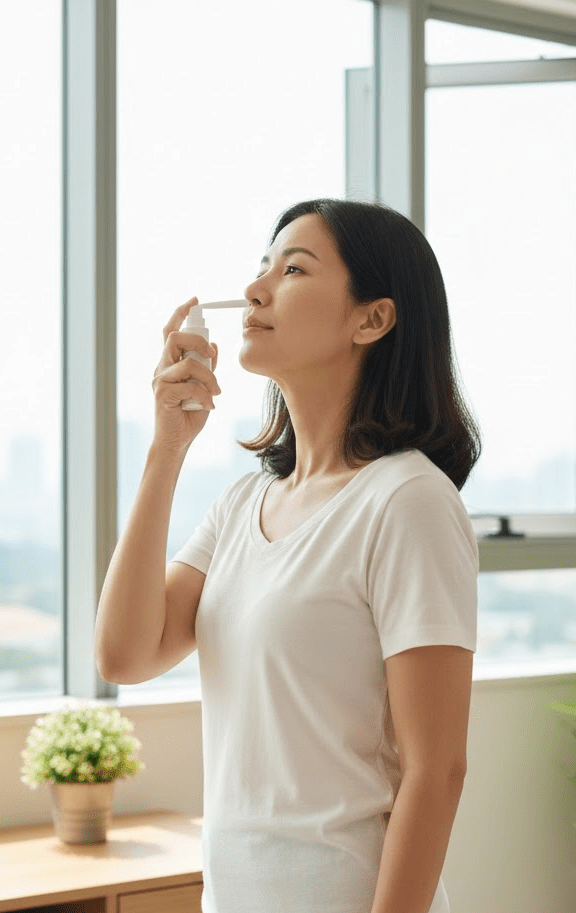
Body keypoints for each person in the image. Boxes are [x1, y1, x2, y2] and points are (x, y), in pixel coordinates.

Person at [95, 198, 481, 913]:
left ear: (372, 318)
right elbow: (125, 654)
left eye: (293, 268)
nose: (255, 289)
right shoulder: (244, 503)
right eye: (261, 266)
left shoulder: (406, 501)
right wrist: (165, 448)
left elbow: (437, 770)